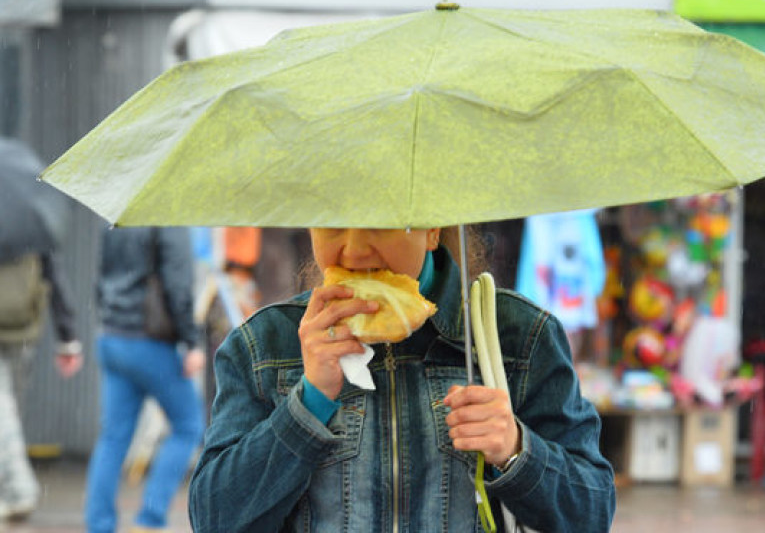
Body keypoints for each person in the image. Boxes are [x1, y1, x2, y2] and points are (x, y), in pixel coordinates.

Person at [188, 226, 616, 532]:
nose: (354, 251)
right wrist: (309, 401)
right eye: (333, 223)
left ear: (431, 229)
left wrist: (517, 450)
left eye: (380, 223)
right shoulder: (265, 344)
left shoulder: (520, 335)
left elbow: (592, 512)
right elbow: (214, 518)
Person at [86, 226, 206, 533]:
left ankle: (99, 525)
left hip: (112, 336)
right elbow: (178, 285)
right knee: (188, 425)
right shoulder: (168, 222)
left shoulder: (117, 219)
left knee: (113, 436)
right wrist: (192, 341)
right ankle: (150, 518)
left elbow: (100, 279)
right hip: (149, 340)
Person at [0, 250, 83, 522]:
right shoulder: (31, 217)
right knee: (9, 410)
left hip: (17, 330)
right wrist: (67, 335)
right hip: (21, 327)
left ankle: (18, 491)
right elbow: (53, 274)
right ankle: (12, 488)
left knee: (5, 412)